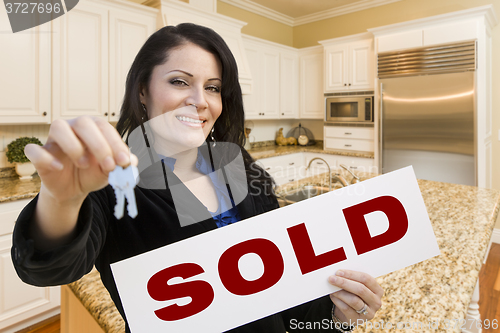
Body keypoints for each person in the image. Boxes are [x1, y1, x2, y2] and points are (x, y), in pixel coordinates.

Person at [11, 23, 383, 332]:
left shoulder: (236, 163)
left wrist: (336, 316)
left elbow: (281, 282)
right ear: (143, 90)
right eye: (179, 81)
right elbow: (47, 267)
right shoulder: (112, 182)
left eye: (212, 87)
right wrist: (61, 199)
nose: (200, 100)